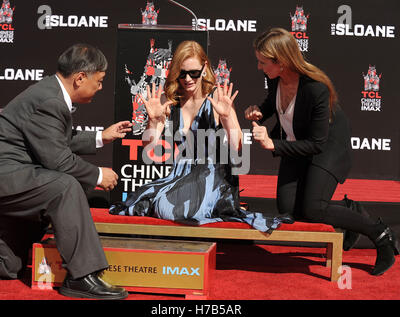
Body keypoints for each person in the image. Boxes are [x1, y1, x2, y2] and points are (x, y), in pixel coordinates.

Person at [245, 27, 399, 276]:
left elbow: (317, 144)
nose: (259, 67)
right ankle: (348, 214)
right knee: (289, 211)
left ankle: (381, 236)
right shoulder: (275, 78)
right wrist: (260, 112)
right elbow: (273, 101)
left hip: (327, 147)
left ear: (281, 62)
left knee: (314, 208)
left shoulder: (316, 88)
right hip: (298, 144)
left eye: (263, 62)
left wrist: (275, 144)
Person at [0, 44, 131, 299]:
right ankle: (82, 276)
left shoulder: (51, 93)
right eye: (99, 81)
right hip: (3, 178)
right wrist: (99, 176)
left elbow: (54, 140)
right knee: (65, 186)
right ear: (80, 78)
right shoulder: (50, 101)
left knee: (6, 264)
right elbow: (59, 160)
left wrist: (101, 136)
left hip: (13, 176)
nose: (100, 87)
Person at [110, 40, 288, 232]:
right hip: (180, 174)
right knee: (140, 201)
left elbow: (237, 147)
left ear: (204, 68)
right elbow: (149, 148)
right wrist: (153, 121)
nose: (188, 79)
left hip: (214, 175)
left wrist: (227, 117)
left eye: (193, 73)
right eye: (182, 73)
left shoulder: (217, 97)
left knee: (165, 208)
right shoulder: (169, 99)